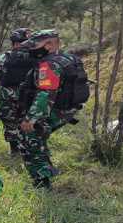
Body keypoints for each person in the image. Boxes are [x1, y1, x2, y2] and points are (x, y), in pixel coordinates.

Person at [18, 30, 87, 189]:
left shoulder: (48, 64)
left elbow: (45, 93)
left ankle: (42, 182)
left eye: (35, 45)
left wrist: (31, 118)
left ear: (49, 44)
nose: (32, 49)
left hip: (54, 108)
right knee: (39, 137)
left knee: (29, 135)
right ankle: (45, 170)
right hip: (68, 108)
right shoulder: (68, 58)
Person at [0, 28, 34, 155]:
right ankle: (29, 148)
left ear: (14, 42)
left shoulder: (4, 58)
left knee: (10, 122)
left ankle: (14, 149)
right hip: (29, 95)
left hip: (8, 96)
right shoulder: (38, 58)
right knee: (28, 120)